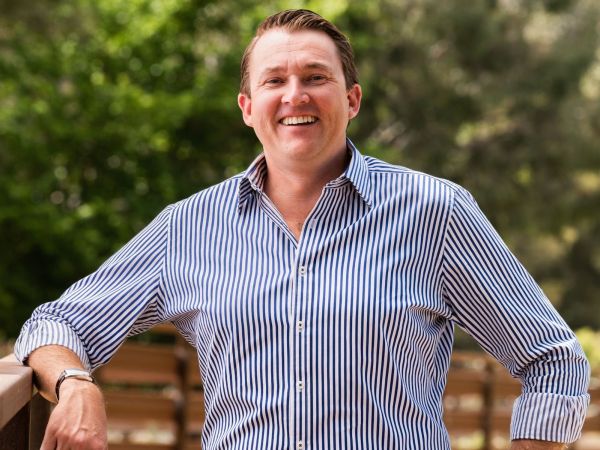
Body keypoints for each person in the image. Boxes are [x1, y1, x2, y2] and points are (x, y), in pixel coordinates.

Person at [15, 9, 589, 450]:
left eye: (316, 76)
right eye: (274, 81)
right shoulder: (186, 228)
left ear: (351, 98)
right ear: (247, 106)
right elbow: (57, 322)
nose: (296, 95)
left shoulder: (434, 211)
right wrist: (76, 384)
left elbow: (554, 361)